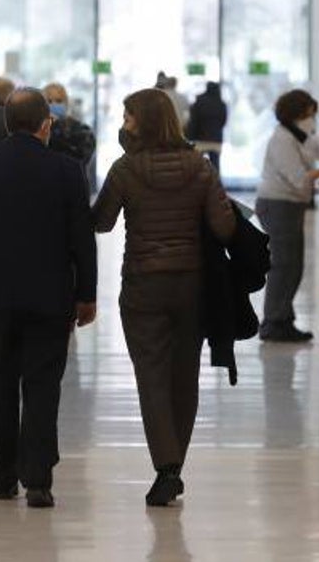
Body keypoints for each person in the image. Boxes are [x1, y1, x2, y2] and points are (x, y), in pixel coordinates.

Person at [0, 88, 97, 509]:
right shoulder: (68, 170)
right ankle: (38, 481)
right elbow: (81, 240)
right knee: (43, 386)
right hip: (51, 297)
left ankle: (1, 476)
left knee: (0, 380)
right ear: (46, 124)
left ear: (7, 124)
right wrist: (87, 294)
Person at [94, 87, 235, 507]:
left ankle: (166, 468)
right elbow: (224, 228)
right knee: (183, 376)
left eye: (129, 117)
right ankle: (175, 467)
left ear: (145, 122)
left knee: (152, 377)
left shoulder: (125, 169)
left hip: (143, 285)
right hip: (191, 285)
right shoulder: (200, 166)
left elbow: (101, 222)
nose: (124, 124)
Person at [254, 89, 319, 342]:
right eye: (309, 114)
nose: (312, 120)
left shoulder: (298, 135)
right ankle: (273, 323)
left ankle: (282, 319)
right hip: (278, 205)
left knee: (293, 266)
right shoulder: (282, 139)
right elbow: (298, 179)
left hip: (290, 205)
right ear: (296, 114)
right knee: (284, 266)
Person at [43, 82, 96, 169]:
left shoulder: (81, 130)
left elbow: (82, 157)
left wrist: (56, 125)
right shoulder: (37, 130)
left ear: (66, 103)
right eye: (49, 101)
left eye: (58, 101)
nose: (53, 105)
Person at [186, 81, 228, 172]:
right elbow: (223, 121)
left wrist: (190, 136)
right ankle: (215, 184)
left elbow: (193, 121)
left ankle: (199, 184)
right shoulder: (221, 104)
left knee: (197, 166)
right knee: (215, 165)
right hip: (215, 139)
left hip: (200, 139)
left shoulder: (199, 101)